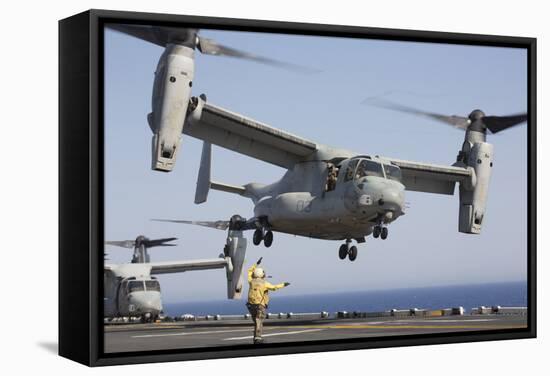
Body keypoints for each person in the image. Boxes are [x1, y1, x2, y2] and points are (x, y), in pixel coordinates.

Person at [246, 257, 290, 344]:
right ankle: (258, 338)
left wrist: (256, 264)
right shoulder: (264, 283)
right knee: (259, 320)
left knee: (256, 321)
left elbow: (249, 271)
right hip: (259, 305)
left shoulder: (251, 281)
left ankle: (256, 338)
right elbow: (274, 288)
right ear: (262, 274)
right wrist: (283, 284)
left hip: (250, 305)